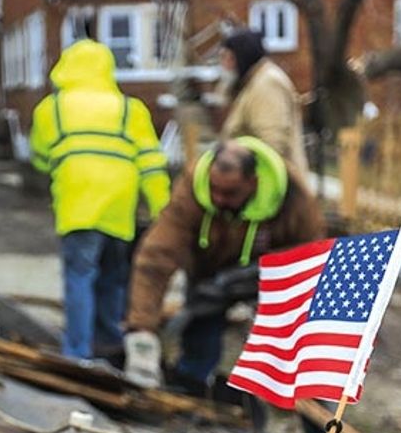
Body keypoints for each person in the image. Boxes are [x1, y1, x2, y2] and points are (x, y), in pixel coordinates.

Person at [124, 137, 324, 391]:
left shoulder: (293, 197)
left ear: (253, 183)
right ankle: (193, 382)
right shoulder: (192, 188)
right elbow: (156, 258)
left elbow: (310, 258)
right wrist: (142, 330)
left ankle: (269, 391)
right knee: (202, 316)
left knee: (274, 336)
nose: (218, 199)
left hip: (266, 273)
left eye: (229, 193)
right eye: (213, 189)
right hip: (208, 269)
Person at [30, 39, 171, 360]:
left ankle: (78, 353)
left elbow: (39, 158)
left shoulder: (51, 109)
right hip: (119, 208)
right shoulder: (129, 109)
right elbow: (151, 162)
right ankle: (109, 344)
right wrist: (163, 210)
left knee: (79, 277)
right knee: (113, 277)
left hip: (77, 207)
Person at [219, 29, 309, 176]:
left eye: (228, 58)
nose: (224, 65)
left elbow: (272, 145)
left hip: (271, 185)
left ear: (242, 57)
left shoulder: (267, 84)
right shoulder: (253, 82)